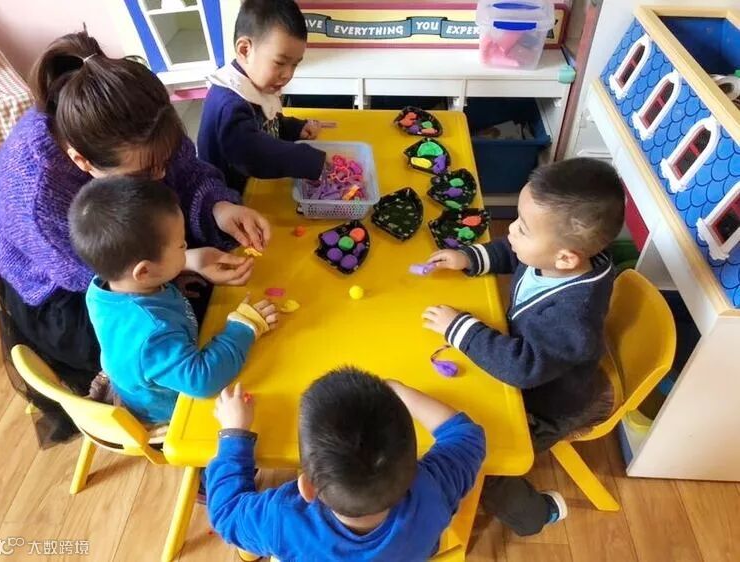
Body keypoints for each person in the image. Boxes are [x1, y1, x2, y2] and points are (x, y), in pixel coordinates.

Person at [0, 31, 270, 445]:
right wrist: (184, 262)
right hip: (69, 290)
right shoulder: (37, 192)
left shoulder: (141, 120)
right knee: (182, 340)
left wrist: (219, 207)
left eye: (163, 160)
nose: (162, 175)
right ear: (82, 161)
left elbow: (185, 172)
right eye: (144, 173)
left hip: (139, 254)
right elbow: (104, 273)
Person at [422, 158, 625, 536]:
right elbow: (514, 252)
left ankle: (534, 515)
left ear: (566, 257)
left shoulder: (573, 317)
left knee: (484, 460)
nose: (511, 230)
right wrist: (470, 257)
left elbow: (522, 368)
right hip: (534, 367)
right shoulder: (555, 258)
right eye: (517, 220)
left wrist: (458, 328)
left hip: (546, 407)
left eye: (523, 228)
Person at [206, 368, 486, 561]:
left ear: (308, 488)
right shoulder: (433, 490)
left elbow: (226, 511)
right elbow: (466, 436)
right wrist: (400, 392)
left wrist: (234, 432)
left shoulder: (283, 519)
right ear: (411, 469)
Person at [70, 176, 277, 424]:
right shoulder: (153, 334)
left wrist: (168, 281)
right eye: (181, 245)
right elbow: (202, 380)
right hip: (170, 408)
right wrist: (244, 327)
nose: (186, 246)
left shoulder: (105, 285)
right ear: (144, 271)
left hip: (156, 371)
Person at [197, 0, 326, 195]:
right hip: (228, 197)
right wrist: (305, 158)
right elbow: (253, 153)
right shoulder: (230, 103)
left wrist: (294, 128)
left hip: (256, 187)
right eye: (280, 62)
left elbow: (267, 124)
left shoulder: (258, 81)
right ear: (245, 50)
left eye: (295, 64)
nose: (288, 74)